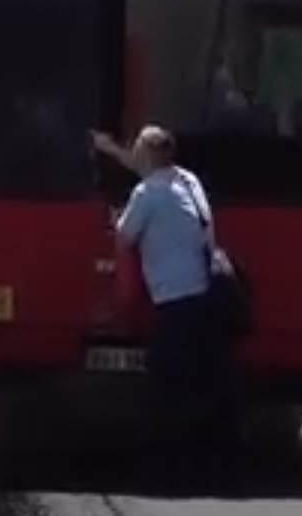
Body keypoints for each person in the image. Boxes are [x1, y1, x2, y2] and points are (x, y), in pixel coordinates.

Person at [91, 125, 234, 449]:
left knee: (168, 379)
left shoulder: (147, 194)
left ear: (150, 154)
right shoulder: (187, 180)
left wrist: (116, 217)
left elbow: (126, 235)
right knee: (201, 374)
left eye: (139, 148)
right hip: (203, 291)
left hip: (173, 296)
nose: (136, 153)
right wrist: (111, 149)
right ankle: (205, 444)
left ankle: (170, 451)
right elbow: (145, 172)